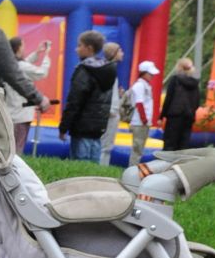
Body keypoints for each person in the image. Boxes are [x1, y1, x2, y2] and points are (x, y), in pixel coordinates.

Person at [58, 29, 118, 162]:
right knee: (92, 166)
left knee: (79, 166)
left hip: (82, 127)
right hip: (98, 128)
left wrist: (64, 127)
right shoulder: (107, 70)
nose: (76, 49)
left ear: (89, 48)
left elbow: (74, 101)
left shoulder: (84, 70)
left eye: (79, 46)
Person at [4, 34, 51, 155]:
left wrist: (37, 53)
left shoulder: (10, 64)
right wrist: (47, 56)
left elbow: (24, 65)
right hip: (20, 114)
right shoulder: (20, 66)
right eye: (23, 46)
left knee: (12, 146)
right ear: (19, 48)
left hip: (12, 112)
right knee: (17, 148)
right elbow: (41, 73)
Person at [159, 57, 201, 152]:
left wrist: (161, 116)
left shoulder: (175, 80)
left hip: (175, 115)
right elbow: (197, 102)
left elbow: (168, 99)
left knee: (170, 143)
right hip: (189, 116)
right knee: (183, 144)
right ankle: (180, 165)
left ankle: (166, 165)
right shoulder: (195, 83)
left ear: (179, 68)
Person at [98, 41, 125, 166]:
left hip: (109, 110)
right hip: (111, 112)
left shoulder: (108, 68)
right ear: (114, 53)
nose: (122, 53)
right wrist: (113, 109)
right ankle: (102, 167)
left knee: (106, 143)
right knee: (106, 144)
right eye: (120, 51)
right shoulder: (110, 70)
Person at [127, 61, 159, 164]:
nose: (152, 76)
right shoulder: (140, 85)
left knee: (139, 149)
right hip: (139, 123)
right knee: (137, 149)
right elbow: (139, 104)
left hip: (143, 122)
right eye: (150, 74)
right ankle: (132, 169)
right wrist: (144, 119)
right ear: (143, 73)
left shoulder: (146, 85)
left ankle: (134, 169)